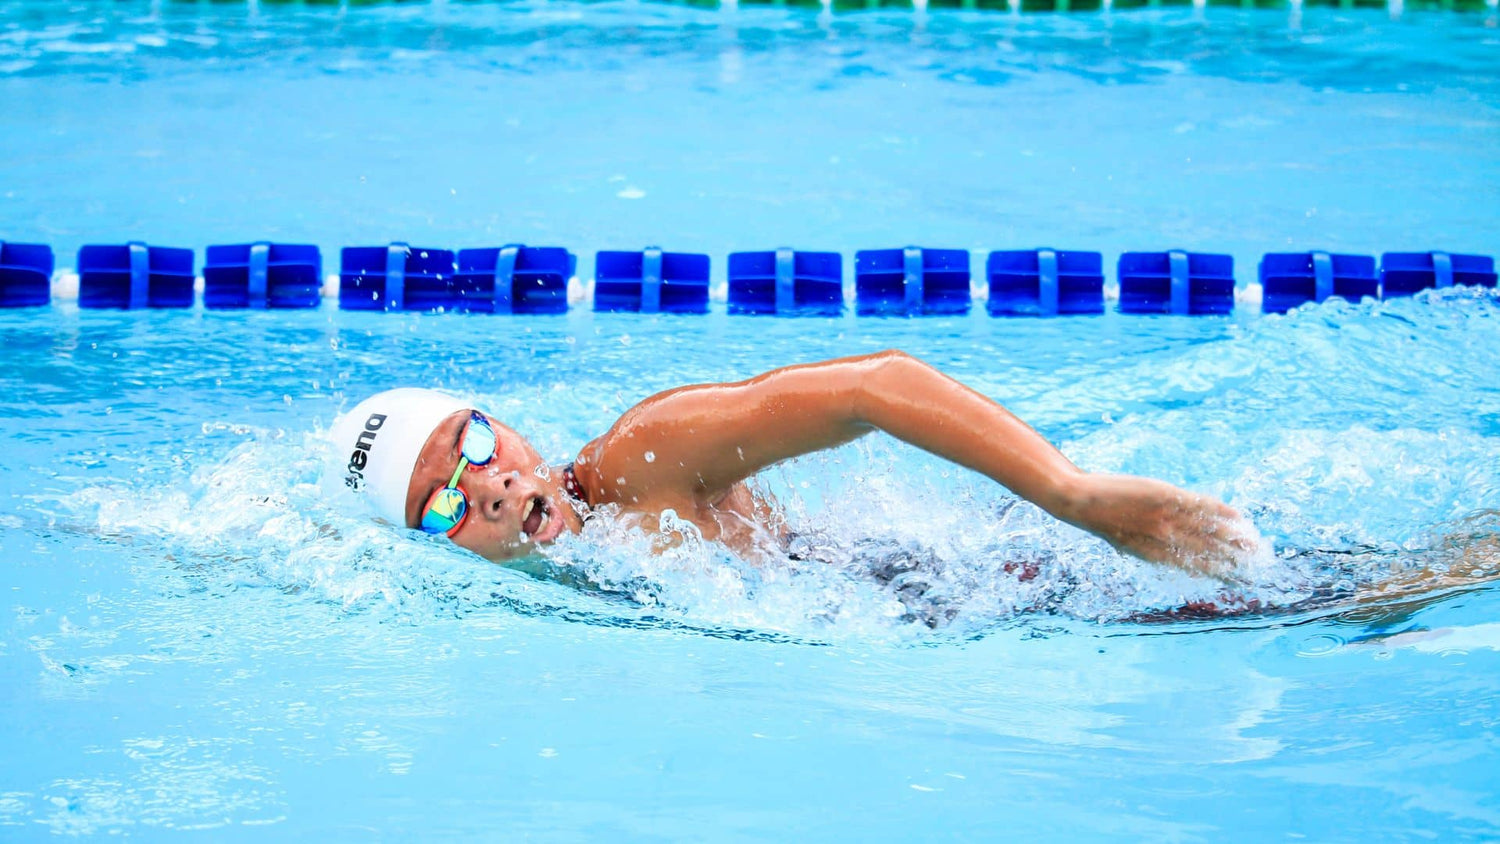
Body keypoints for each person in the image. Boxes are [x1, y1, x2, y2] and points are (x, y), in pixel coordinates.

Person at [330, 350, 1263, 583]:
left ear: (515, 436)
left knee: (1308, 595)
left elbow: (876, 385)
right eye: (443, 499)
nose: (486, 485)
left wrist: (1078, 498)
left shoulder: (640, 459)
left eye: (478, 446)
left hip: (959, 590)